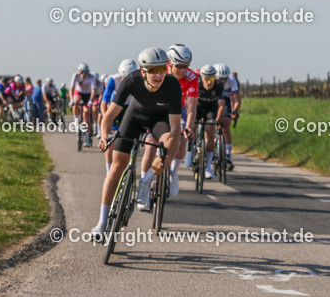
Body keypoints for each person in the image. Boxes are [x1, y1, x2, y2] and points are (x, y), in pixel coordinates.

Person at [92, 48, 182, 236]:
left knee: (173, 142)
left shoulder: (173, 85)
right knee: (117, 167)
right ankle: (101, 223)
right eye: (153, 71)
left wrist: (167, 146)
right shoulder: (131, 80)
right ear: (143, 72)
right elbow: (109, 116)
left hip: (160, 120)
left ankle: (146, 181)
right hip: (135, 116)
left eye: (162, 70)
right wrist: (103, 136)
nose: (159, 75)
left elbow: (174, 127)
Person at [166, 44, 198, 196]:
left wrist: (189, 128)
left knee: (182, 141)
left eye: (187, 66)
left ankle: (173, 172)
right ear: (170, 63)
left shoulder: (192, 77)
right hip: (161, 106)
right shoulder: (160, 72)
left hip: (180, 108)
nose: (183, 70)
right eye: (179, 66)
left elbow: (191, 108)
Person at [100, 59, 138, 175]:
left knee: (134, 138)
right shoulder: (114, 80)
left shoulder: (139, 80)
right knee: (111, 142)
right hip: (117, 107)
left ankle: (133, 157)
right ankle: (108, 170)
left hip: (132, 107)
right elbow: (104, 103)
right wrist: (107, 119)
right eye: (122, 78)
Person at [194, 64, 228, 180]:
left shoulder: (219, 85)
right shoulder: (196, 84)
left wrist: (218, 119)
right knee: (193, 127)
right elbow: (189, 103)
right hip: (197, 107)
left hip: (211, 108)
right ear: (202, 78)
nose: (209, 82)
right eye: (207, 79)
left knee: (210, 130)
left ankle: (208, 166)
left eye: (212, 79)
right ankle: (191, 152)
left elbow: (222, 105)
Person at [215, 63, 240, 171]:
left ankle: (228, 156)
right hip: (213, 99)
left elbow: (237, 100)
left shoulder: (232, 80)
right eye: (221, 79)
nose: (223, 81)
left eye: (225, 79)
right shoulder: (211, 79)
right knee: (210, 124)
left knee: (226, 125)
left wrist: (234, 111)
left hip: (225, 100)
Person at [70, 63, 96, 146]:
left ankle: (87, 138)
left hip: (88, 95)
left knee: (86, 113)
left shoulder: (91, 77)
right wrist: (71, 100)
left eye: (85, 72)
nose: (83, 74)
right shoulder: (76, 76)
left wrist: (90, 101)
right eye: (82, 72)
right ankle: (76, 121)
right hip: (79, 93)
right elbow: (71, 88)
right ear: (79, 72)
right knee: (75, 101)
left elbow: (93, 91)